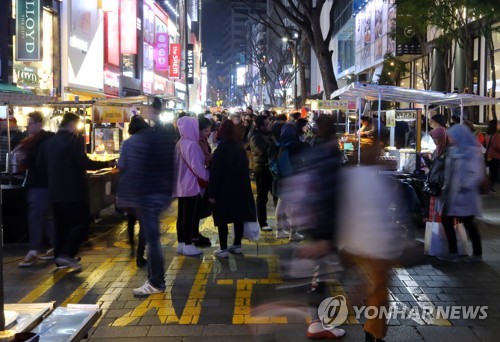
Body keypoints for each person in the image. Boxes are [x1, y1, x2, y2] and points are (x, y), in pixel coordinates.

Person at [38, 113, 113, 271]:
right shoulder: (73, 141)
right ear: (72, 124)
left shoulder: (48, 143)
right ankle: (67, 254)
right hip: (74, 192)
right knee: (81, 224)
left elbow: (40, 166)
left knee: (61, 227)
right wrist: (106, 163)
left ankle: (60, 259)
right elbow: (84, 162)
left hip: (55, 193)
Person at [208, 120, 256, 257]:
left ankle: (222, 248)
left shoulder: (220, 150)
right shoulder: (240, 148)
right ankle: (237, 245)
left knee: (222, 218)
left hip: (223, 190)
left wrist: (211, 193)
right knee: (238, 217)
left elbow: (215, 174)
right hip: (240, 188)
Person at [439, 124, 484, 262]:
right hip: (452, 194)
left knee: (468, 222)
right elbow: (449, 171)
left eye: (453, 136)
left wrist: (464, 186)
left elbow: (476, 174)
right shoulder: (453, 151)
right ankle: (453, 253)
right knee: (447, 220)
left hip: (465, 195)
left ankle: (476, 254)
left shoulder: (472, 152)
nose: (451, 138)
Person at [17, 112, 55, 267]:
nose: (28, 126)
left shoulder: (41, 141)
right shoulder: (32, 141)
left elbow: (38, 164)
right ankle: (56, 245)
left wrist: (23, 159)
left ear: (39, 124)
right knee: (43, 216)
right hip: (40, 183)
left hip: (40, 184)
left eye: (30, 122)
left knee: (36, 216)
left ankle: (33, 251)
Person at [116, 115, 150, 268]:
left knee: (131, 219)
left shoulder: (126, 144)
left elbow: (121, 165)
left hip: (128, 187)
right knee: (143, 222)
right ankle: (140, 254)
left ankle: (131, 246)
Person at [174, 116, 209, 256]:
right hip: (190, 185)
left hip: (180, 184)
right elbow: (198, 167)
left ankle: (181, 242)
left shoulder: (180, 143)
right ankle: (188, 244)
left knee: (181, 215)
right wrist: (207, 177)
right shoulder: (192, 145)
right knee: (189, 216)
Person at [274, 123, 307, 240]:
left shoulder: (277, 143)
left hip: (281, 178)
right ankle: (293, 233)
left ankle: (279, 230)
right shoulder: (297, 144)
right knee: (294, 206)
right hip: (294, 178)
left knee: (281, 203)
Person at [249, 115, 275, 232]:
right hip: (262, 169)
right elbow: (261, 151)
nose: (269, 125)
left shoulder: (268, 135)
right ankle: (262, 222)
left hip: (271, 169)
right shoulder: (255, 136)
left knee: (276, 195)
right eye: (266, 124)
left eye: (269, 123)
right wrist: (275, 149)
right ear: (260, 126)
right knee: (262, 197)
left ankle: (280, 221)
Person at [192, 118, 213, 248]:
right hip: (197, 180)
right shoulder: (195, 142)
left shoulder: (203, 140)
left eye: (209, 130)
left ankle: (195, 234)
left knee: (198, 208)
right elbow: (200, 160)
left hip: (203, 177)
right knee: (195, 209)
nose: (207, 133)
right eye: (205, 131)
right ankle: (193, 236)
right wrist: (212, 157)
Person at [485, 119, 500, 192]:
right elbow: (497, 146)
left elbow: (485, 144)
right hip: (495, 156)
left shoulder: (488, 134)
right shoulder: (496, 135)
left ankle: (489, 186)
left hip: (489, 155)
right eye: (497, 124)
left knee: (491, 171)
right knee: (494, 172)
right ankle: (490, 186)